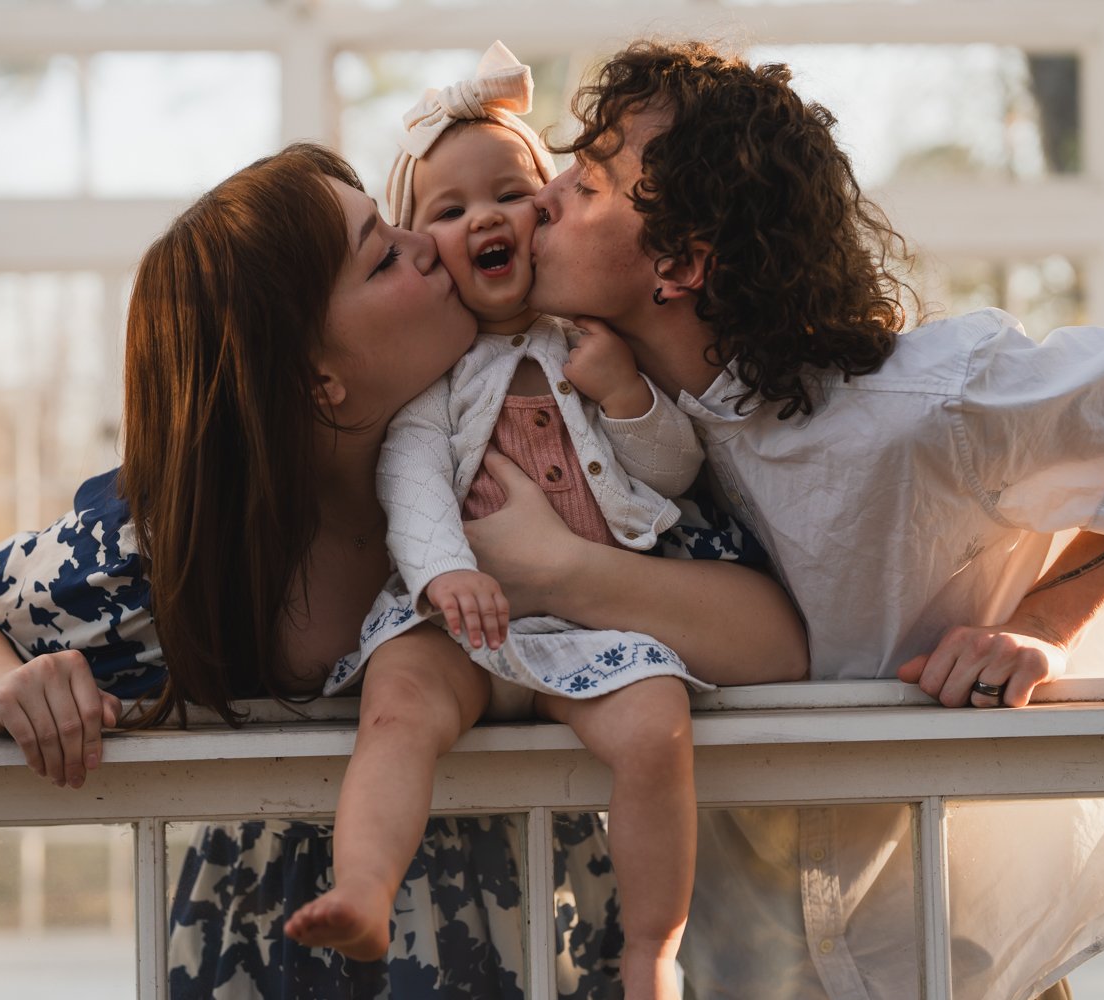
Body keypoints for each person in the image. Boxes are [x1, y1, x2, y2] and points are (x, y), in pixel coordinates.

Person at [0, 141, 804, 998]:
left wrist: (557, 571)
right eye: (383, 257)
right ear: (314, 378)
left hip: (536, 933)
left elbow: (775, 641)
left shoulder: (531, 447)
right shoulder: (183, 544)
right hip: (280, 947)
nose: (427, 244)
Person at [458, 37, 1104, 999]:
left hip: (958, 956)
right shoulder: (591, 409)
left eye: (588, 185)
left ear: (680, 261)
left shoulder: (922, 403)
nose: (542, 197)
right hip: (750, 961)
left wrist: (1044, 624)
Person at [281, 43, 807, 1000]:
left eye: (511, 193)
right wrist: (443, 575)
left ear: (547, 210)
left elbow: (669, 478)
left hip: (591, 629)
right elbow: (413, 482)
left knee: (656, 730)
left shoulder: (592, 339)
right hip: (463, 621)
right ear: (426, 245)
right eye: (447, 211)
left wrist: (632, 403)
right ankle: (362, 884)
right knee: (395, 711)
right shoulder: (435, 377)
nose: (483, 217)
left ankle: (653, 948)